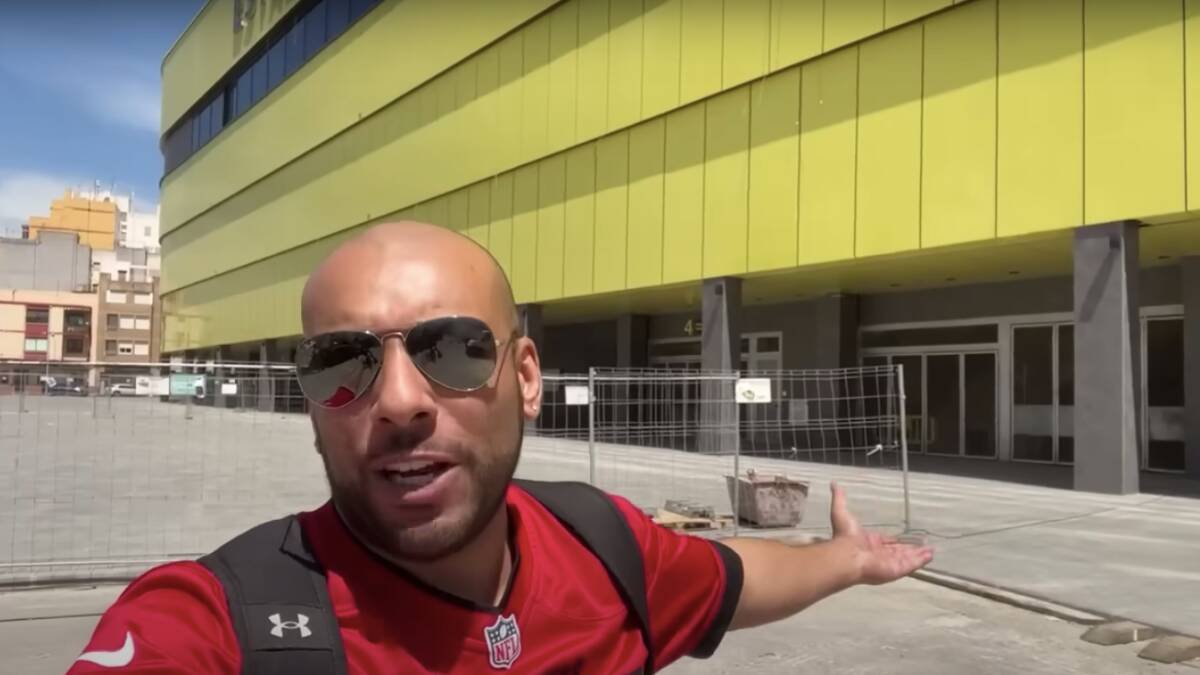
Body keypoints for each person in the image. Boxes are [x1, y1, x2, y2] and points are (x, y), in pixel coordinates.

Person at [69, 222, 933, 674]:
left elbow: (733, 578)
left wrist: (845, 560)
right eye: (344, 362)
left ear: (526, 376)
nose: (399, 401)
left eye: (451, 349)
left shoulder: (605, 547)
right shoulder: (222, 621)